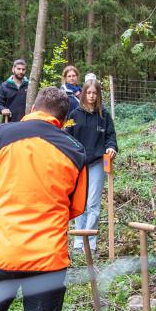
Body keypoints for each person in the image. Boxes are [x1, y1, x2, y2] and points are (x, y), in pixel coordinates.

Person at [0, 87, 88, 311]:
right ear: (63, 120)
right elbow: (76, 208)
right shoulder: (75, 150)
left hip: (1, 253)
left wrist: (7, 199)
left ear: (33, 108)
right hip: (48, 259)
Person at [64, 80, 117, 252]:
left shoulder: (104, 116)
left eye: (95, 93)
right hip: (79, 165)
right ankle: (79, 242)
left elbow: (111, 136)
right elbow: (66, 136)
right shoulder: (73, 115)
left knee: (93, 203)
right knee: (79, 203)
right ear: (84, 94)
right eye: (89, 93)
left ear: (98, 95)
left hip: (97, 163)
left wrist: (111, 147)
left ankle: (90, 243)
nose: (92, 96)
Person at [0, 59, 29, 123]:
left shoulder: (29, 85)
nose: (21, 71)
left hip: (26, 123)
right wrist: (3, 109)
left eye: (23, 69)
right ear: (13, 69)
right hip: (9, 123)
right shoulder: (5, 86)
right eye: (18, 69)